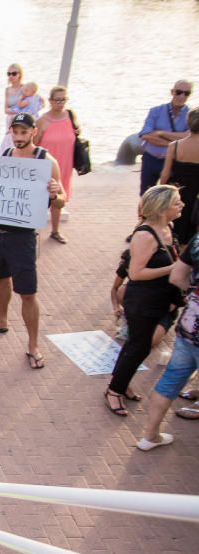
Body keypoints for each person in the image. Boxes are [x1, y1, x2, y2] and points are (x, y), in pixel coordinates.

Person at [0, 113, 65, 370]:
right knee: (0, 279)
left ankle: (33, 344)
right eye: (16, 132)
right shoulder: (3, 158)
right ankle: (0, 320)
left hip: (22, 236)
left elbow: (62, 200)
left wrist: (56, 193)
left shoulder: (46, 161)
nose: (19, 137)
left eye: (24, 132)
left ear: (33, 132)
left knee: (27, 292)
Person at [105, 186, 183, 416]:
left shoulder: (168, 227)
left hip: (162, 299)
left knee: (136, 347)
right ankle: (114, 390)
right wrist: (173, 268)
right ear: (161, 209)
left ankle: (121, 382)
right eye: (177, 202)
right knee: (138, 347)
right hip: (142, 301)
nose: (182, 205)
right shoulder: (144, 235)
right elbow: (136, 273)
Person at [137, 232, 199, 449]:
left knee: (171, 379)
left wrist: (193, 293)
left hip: (190, 324)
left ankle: (150, 435)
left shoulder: (197, 239)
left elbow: (176, 277)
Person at [36, 86, 78, 243]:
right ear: (50, 101)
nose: (60, 103)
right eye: (57, 100)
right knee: (41, 196)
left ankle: (55, 230)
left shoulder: (70, 116)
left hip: (65, 163)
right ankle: (33, 229)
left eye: (63, 99)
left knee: (58, 197)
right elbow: (34, 144)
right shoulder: (42, 121)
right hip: (46, 164)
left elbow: (75, 134)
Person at [138, 79, 192, 195]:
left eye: (186, 93)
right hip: (151, 159)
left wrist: (160, 133)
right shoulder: (156, 111)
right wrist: (173, 143)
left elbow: (188, 137)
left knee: (169, 198)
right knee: (146, 195)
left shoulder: (190, 114)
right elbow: (145, 135)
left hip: (173, 162)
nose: (182, 96)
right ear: (172, 92)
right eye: (179, 92)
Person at [159, 107, 199, 247]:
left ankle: (174, 261)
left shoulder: (174, 146)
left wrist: (158, 191)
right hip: (196, 197)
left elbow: (165, 175)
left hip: (178, 195)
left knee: (176, 231)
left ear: (188, 123)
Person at [0, 64, 24, 154]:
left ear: (19, 75)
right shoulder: (7, 90)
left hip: (21, 119)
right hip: (10, 119)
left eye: (14, 73)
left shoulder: (24, 88)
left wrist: (16, 112)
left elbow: (32, 103)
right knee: (8, 141)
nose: (11, 76)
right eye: (8, 74)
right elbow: (5, 109)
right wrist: (14, 111)